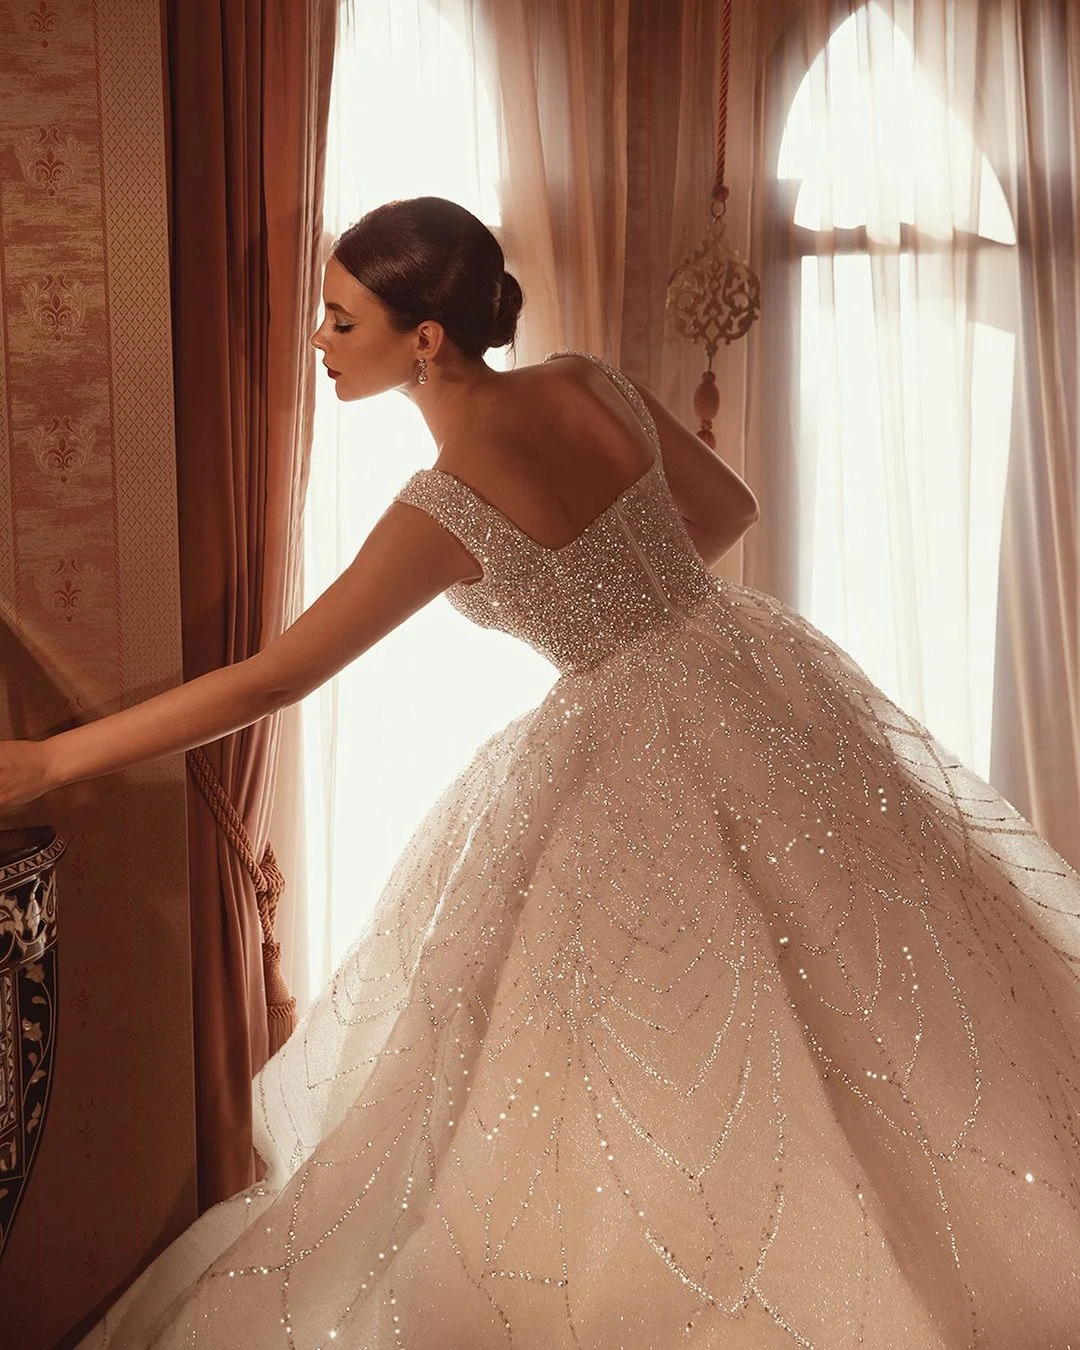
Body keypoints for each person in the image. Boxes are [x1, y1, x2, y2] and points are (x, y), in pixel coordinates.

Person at [1, 196, 1078, 1348]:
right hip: (754, 677)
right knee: (859, 984)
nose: (316, 341)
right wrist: (631, 607)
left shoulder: (444, 503)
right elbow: (728, 510)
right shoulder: (591, 383)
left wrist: (51, 757)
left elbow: (272, 682)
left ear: (425, 339)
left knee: (654, 1032)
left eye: (338, 320)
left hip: (631, 738)